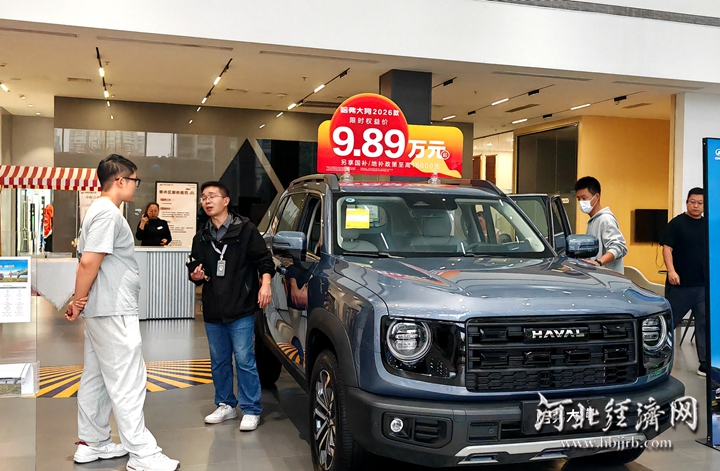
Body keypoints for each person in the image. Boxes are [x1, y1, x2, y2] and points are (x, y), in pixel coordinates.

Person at [66, 154, 180, 471]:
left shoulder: (100, 210)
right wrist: (77, 300)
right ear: (120, 180)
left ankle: (93, 442)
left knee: (97, 377)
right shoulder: (107, 213)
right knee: (128, 380)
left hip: (104, 308)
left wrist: (79, 300)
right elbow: (89, 262)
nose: (135, 185)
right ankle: (142, 453)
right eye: (134, 180)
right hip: (113, 309)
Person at [189, 181, 274, 431]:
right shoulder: (201, 236)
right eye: (203, 198)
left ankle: (251, 408)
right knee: (219, 360)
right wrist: (195, 275)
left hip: (241, 306)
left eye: (212, 196)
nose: (206, 201)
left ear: (226, 201)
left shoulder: (246, 230)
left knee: (245, 359)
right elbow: (196, 268)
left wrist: (265, 284)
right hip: (214, 307)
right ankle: (225, 404)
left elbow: (264, 260)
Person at [660, 187, 707, 376]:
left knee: (704, 324)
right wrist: (671, 271)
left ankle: (705, 364)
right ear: (687, 202)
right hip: (680, 286)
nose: (696, 206)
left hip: (703, 286)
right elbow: (667, 249)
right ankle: (659, 360)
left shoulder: (708, 225)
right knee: (669, 324)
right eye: (692, 202)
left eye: (700, 203)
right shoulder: (677, 224)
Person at [574, 176, 628, 273]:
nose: (581, 202)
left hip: (607, 279)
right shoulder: (593, 221)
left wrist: (598, 262)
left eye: (584, 198)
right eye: (578, 199)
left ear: (596, 197)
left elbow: (619, 246)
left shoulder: (605, 219)